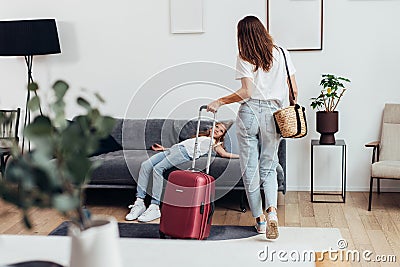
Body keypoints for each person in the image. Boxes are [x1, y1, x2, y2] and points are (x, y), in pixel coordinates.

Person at [207, 16, 298, 240]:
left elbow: (246, 92)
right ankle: (273, 213)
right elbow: (294, 89)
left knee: (250, 169)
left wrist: (220, 101)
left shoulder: (244, 55)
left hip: (250, 113)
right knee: (269, 165)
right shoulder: (282, 53)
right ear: (263, 31)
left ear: (242, 36)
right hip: (274, 115)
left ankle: (259, 221)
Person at [125, 122, 239, 222]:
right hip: (174, 149)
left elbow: (224, 154)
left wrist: (242, 156)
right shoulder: (199, 137)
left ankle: (155, 206)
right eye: (217, 127)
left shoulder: (214, 143)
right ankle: (139, 202)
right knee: (145, 165)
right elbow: (183, 145)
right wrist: (164, 149)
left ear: (221, 136)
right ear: (210, 128)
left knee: (157, 169)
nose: (217, 130)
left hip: (183, 153)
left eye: (220, 131)